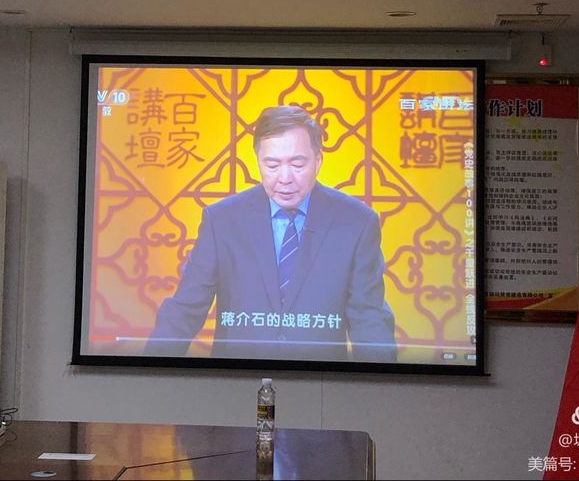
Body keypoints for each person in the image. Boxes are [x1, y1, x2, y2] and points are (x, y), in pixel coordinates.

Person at [145, 105, 397, 362]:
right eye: (272, 165)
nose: (285, 178)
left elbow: (369, 317)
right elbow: (185, 309)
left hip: (320, 379)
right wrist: (148, 369)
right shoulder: (221, 220)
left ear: (318, 160)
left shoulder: (357, 222)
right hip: (235, 377)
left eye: (297, 164)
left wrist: (381, 379)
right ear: (258, 162)